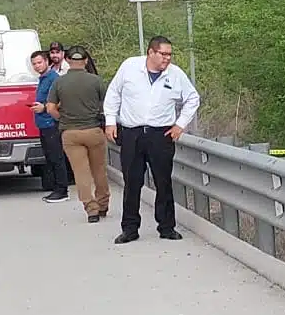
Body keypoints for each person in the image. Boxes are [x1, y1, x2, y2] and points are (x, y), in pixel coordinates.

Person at [104, 35, 200, 244]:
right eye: (163, 54)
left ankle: (166, 227)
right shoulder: (130, 67)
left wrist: (180, 124)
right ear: (151, 52)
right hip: (132, 133)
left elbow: (193, 98)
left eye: (169, 54)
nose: (167, 58)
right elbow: (113, 94)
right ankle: (130, 228)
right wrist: (110, 121)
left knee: (163, 181)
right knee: (132, 181)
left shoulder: (175, 75)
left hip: (160, 134)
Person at [46, 46, 109, 223]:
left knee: (81, 172)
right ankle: (103, 204)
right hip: (93, 130)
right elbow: (107, 104)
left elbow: (50, 108)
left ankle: (91, 209)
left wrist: (63, 119)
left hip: (70, 133)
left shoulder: (59, 82)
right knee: (99, 170)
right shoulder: (96, 81)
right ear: (86, 61)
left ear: (67, 60)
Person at [29, 49, 69, 203]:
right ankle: (55, 188)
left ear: (47, 61)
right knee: (50, 158)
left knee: (57, 157)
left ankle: (62, 189)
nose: (37, 66)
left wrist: (44, 107)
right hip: (43, 123)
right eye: (34, 64)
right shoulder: (43, 79)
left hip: (52, 122)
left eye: (39, 62)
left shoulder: (54, 78)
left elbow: (60, 100)